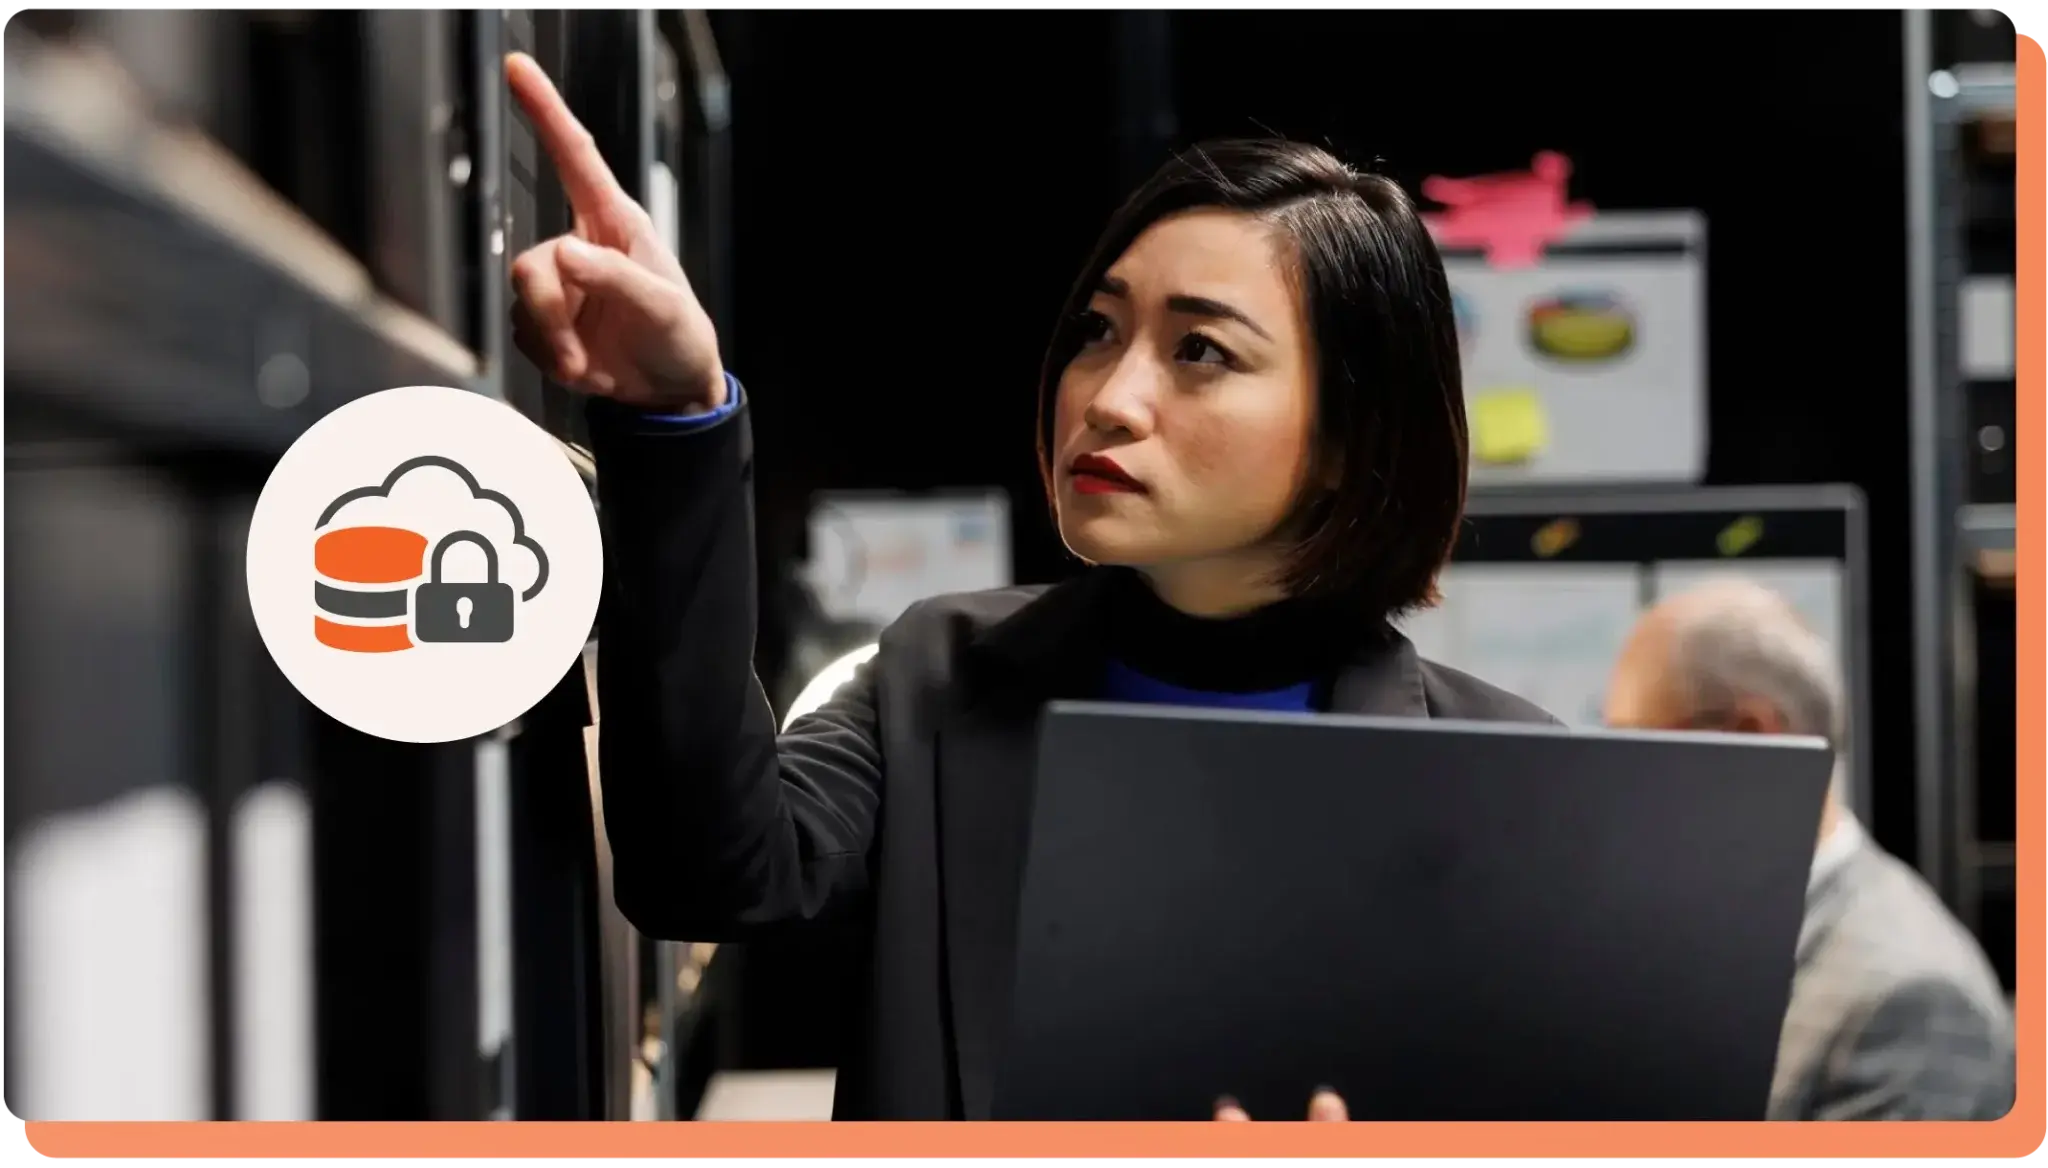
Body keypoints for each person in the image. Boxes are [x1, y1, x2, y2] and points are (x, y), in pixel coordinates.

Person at [503, 52, 1556, 1122]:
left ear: (1349, 436)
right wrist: (675, 417)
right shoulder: (936, 674)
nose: (1107, 397)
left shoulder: (1510, 783)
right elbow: (705, 873)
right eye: (1098, 332)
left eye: (1200, 351)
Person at [1604, 578, 2016, 1122]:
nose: (1618, 783)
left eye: (1634, 743)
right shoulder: (1717, 936)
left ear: (1751, 738)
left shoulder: (1909, 997)